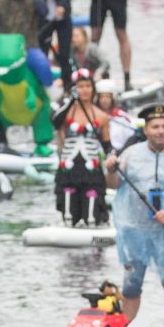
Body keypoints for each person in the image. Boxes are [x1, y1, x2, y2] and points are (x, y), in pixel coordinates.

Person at [105, 104, 164, 327]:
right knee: (132, 284)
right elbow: (113, 185)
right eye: (155, 127)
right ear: (146, 130)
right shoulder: (131, 155)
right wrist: (111, 170)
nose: (160, 131)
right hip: (134, 231)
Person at [53, 70, 110, 226]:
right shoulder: (67, 112)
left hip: (91, 171)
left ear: (93, 89)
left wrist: (113, 159)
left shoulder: (101, 116)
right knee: (69, 213)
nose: (84, 90)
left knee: (91, 215)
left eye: (87, 86)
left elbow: (106, 145)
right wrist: (72, 100)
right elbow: (56, 122)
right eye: (80, 86)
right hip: (69, 169)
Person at [27, 0, 76, 82]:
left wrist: (62, 5)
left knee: (64, 53)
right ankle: (43, 82)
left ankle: (68, 82)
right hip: (46, 23)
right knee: (43, 52)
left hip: (62, 20)